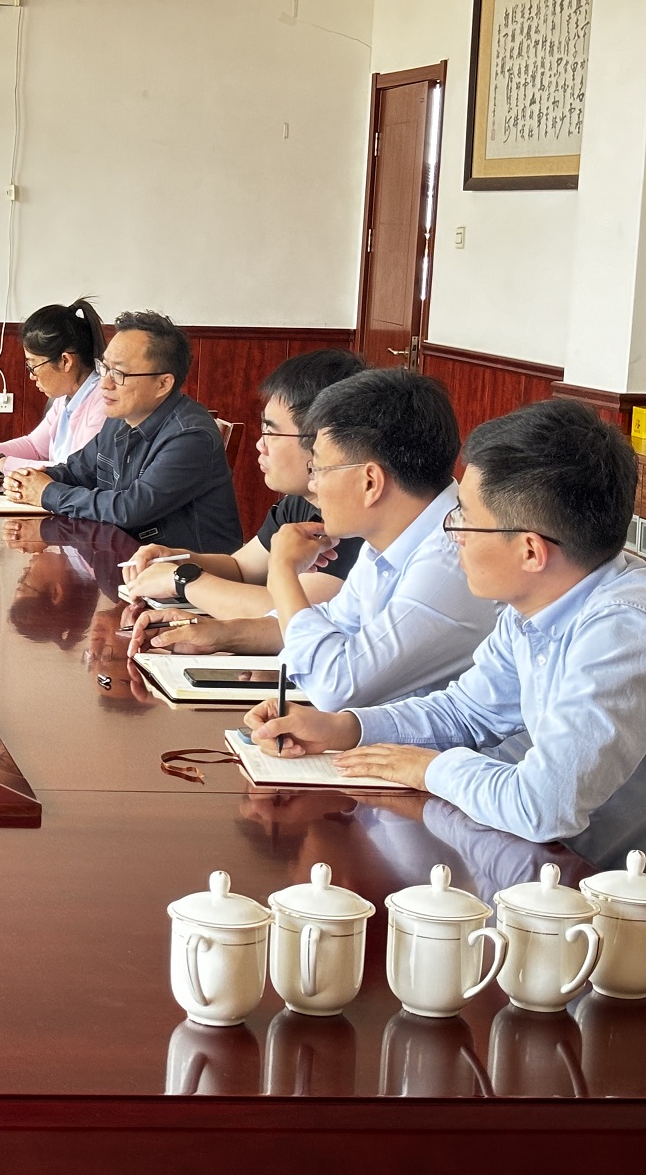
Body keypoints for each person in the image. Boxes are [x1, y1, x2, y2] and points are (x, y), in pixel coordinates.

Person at [246, 399, 646, 869]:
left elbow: (542, 805)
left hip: (613, 886)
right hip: (560, 869)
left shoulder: (623, 630)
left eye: (465, 520)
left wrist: (431, 768)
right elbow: (468, 712)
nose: (452, 534)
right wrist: (344, 728)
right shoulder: (538, 600)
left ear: (531, 552)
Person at [132, 369, 498, 710]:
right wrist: (217, 634)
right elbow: (333, 623)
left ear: (370, 482)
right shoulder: (394, 533)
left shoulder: (451, 557)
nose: (313, 484)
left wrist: (282, 570)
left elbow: (337, 684)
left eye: (319, 468)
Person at [122, 348, 368, 619]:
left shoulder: (353, 520)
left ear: (325, 440)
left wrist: (182, 580)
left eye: (271, 432)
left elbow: (292, 615)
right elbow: (241, 568)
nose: (260, 444)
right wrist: (175, 558)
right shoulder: (298, 503)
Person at [1, 311, 243, 553]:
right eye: (104, 368)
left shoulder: (190, 437)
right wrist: (29, 480)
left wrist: (47, 492)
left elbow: (129, 509)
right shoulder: (120, 418)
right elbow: (77, 470)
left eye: (119, 374)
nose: (105, 383)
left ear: (163, 384)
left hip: (183, 570)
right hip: (124, 557)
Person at [0, 299, 110, 476]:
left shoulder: (104, 403)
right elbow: (34, 447)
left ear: (65, 361)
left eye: (33, 366)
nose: (32, 376)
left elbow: (72, 472)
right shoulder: (67, 397)